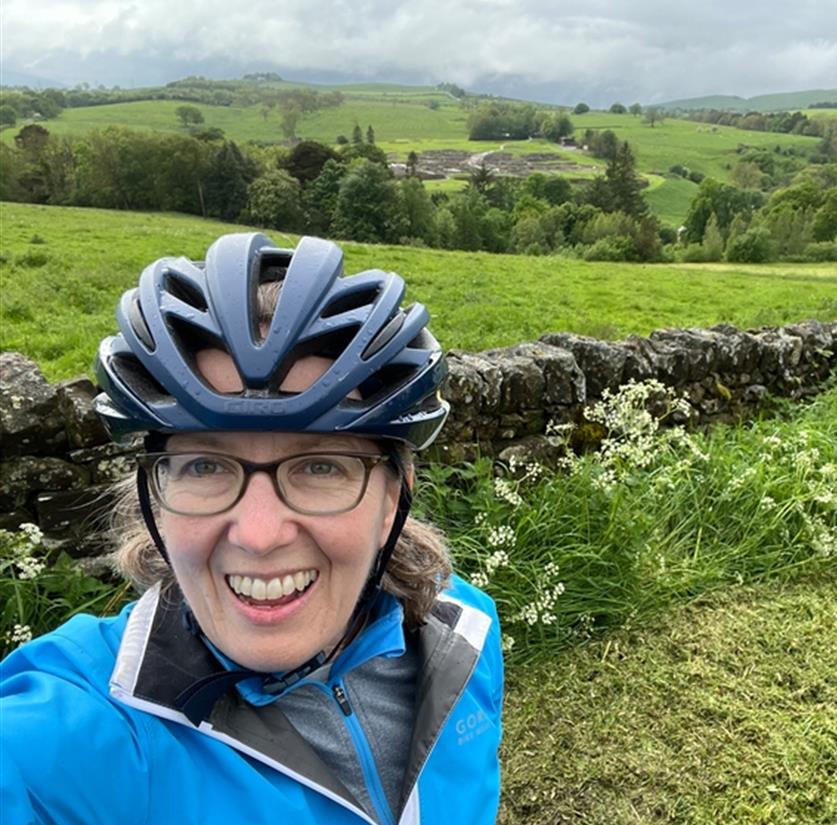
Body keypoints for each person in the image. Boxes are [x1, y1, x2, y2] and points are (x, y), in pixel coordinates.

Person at [0, 233, 503, 824]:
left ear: (395, 496)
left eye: (321, 466)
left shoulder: (463, 635)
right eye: (205, 466)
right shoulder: (73, 739)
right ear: (157, 500)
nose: (260, 535)